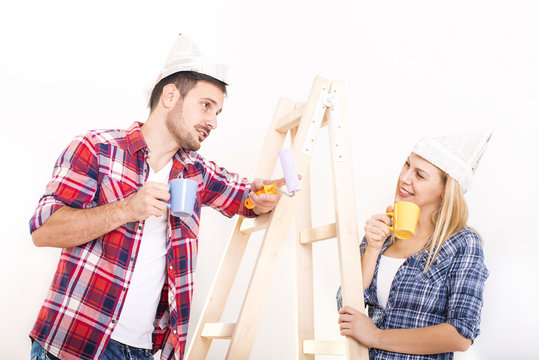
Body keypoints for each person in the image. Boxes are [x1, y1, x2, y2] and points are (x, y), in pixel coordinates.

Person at [29, 34, 285, 360]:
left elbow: (245, 196)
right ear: (169, 96)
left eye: (218, 111)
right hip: (75, 343)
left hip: (145, 351)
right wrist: (127, 209)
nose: (214, 122)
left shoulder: (196, 173)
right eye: (206, 106)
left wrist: (263, 194)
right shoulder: (97, 148)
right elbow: (44, 231)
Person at [337, 131, 491, 359]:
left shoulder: (463, 243)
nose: (405, 177)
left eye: (419, 175)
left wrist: (377, 336)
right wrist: (372, 248)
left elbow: (460, 335)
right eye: (407, 165)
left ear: (443, 191)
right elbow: (346, 307)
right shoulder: (383, 234)